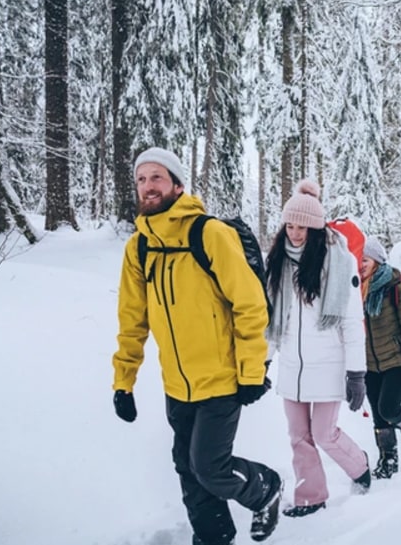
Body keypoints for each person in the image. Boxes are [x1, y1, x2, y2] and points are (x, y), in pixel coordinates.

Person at [112, 148, 282, 545]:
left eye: (157, 178)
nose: (148, 187)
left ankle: (265, 488)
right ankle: (214, 538)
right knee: (187, 469)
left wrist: (252, 373)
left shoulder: (209, 235)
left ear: (177, 185)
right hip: (177, 384)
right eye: (141, 179)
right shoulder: (139, 248)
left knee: (210, 467)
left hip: (223, 380)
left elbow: (250, 306)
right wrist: (124, 382)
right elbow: (132, 321)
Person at [264, 179, 371, 518]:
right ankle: (311, 497)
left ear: (316, 226)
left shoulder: (338, 262)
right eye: (290, 225)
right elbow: (270, 318)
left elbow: (352, 320)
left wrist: (357, 372)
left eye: (303, 226)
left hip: (329, 362)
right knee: (298, 436)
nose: (295, 233)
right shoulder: (279, 260)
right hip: (292, 366)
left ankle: (360, 467)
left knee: (324, 434)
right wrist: (262, 363)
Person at [359, 236, 401, 479]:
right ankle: (388, 460)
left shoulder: (393, 286)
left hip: (396, 360)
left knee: (388, 409)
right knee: (378, 416)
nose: (361, 264)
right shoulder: (355, 289)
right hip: (369, 363)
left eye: (364, 260)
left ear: (376, 261)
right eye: (358, 259)